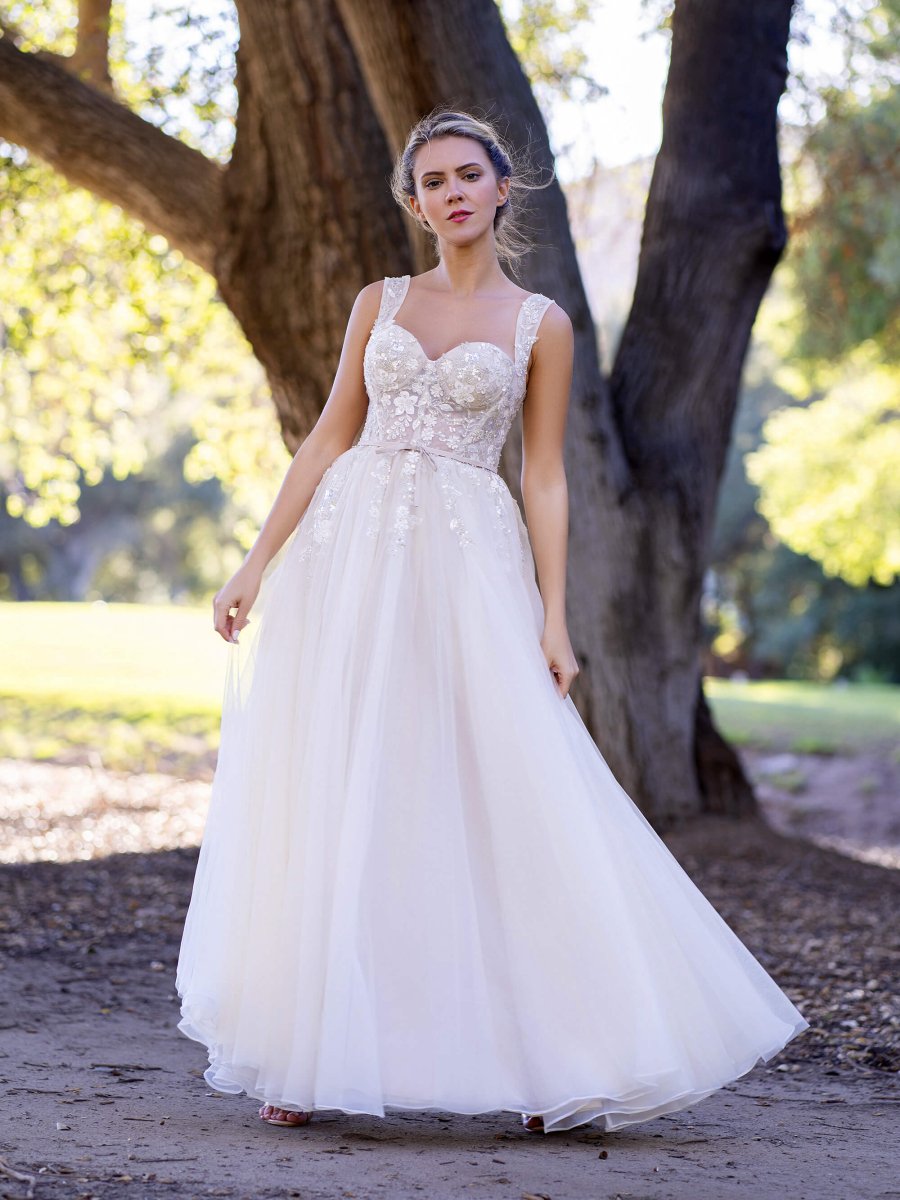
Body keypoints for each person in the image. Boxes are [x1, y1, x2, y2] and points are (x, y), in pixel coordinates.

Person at [175, 108, 809, 1136]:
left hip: (467, 558)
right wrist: (257, 562)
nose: (453, 192)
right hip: (351, 557)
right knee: (345, 775)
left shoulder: (539, 324)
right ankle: (307, 1045)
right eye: (432, 181)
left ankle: (561, 1061)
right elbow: (328, 436)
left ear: (502, 187)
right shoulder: (380, 302)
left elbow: (545, 476)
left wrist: (554, 617)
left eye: (468, 174)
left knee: (499, 778)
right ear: (415, 202)